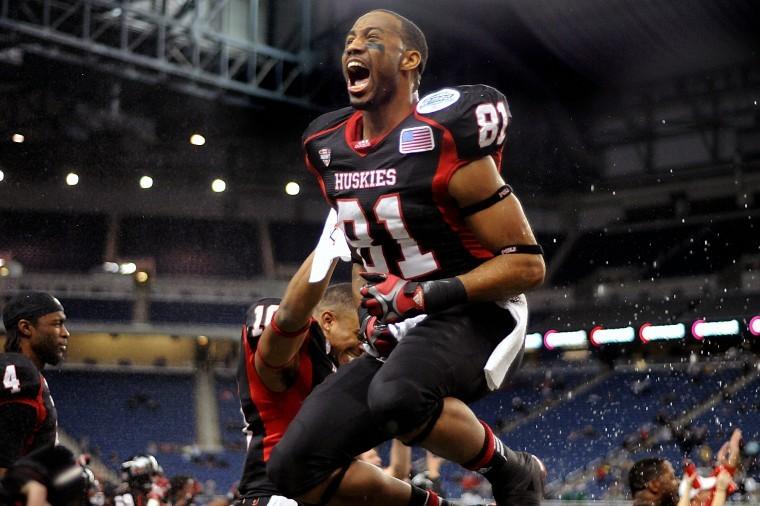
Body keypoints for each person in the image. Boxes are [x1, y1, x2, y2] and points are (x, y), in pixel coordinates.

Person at [267, 8, 546, 506]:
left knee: (396, 396)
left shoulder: (445, 139)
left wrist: (425, 294)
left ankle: (512, 469)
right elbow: (363, 253)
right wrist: (370, 309)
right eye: (350, 39)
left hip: (478, 310)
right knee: (292, 469)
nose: (353, 47)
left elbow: (527, 265)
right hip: (402, 322)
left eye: (372, 39)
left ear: (410, 59)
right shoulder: (327, 146)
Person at [236, 237, 446, 506]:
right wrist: (330, 246)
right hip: (274, 494)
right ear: (328, 320)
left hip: (317, 492)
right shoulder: (301, 345)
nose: (362, 343)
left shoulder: (340, 370)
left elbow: (372, 480)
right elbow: (288, 319)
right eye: (357, 333)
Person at [1, 292, 69, 477]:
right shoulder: (20, 372)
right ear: (26, 328)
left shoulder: (29, 373)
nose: (65, 333)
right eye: (57, 324)